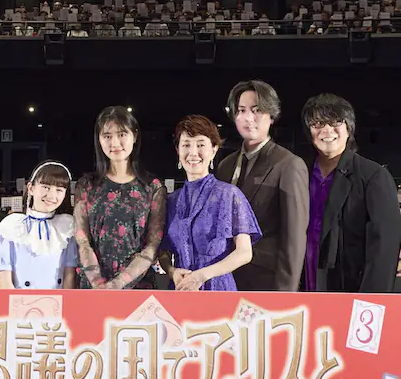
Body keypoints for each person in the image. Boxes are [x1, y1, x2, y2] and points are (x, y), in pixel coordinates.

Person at [300, 94, 401, 293]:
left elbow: (385, 245)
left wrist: (371, 300)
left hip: (350, 287)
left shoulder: (372, 175)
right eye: (318, 123)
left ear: (349, 128)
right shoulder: (300, 172)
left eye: (335, 122)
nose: (327, 130)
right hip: (303, 283)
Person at [214, 80, 310, 291]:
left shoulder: (288, 164)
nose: (248, 118)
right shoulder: (225, 166)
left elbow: (294, 239)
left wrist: (285, 294)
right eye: (241, 110)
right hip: (225, 280)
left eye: (256, 110)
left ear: (272, 116)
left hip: (266, 282)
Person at [160, 115, 260, 291]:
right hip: (181, 290)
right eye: (186, 145)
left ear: (214, 150)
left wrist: (202, 275)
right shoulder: (171, 200)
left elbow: (244, 253)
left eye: (200, 145)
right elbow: (162, 251)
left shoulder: (229, 195)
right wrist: (172, 271)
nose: (193, 153)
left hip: (218, 290)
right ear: (178, 151)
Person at [73, 106, 166, 290]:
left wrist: (118, 284)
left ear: (135, 136)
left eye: (122, 134)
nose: (114, 143)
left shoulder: (152, 187)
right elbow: (82, 241)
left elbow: (152, 245)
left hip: (138, 287)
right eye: (107, 136)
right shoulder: (87, 186)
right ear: (99, 139)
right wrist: (99, 283)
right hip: (94, 288)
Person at [0, 161, 78, 289]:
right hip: (20, 299)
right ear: (31, 188)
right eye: (46, 187)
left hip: (56, 299)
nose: (52, 195)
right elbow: (5, 282)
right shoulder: (11, 226)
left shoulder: (67, 227)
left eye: (59, 190)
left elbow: (69, 277)